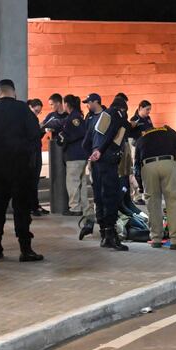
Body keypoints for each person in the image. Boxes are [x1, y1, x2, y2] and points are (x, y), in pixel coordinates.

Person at [0, 79, 44, 262]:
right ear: (14, 92)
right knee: (21, 209)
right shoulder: (23, 110)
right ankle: (25, 249)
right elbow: (35, 135)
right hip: (21, 168)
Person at [134, 126, 176, 250]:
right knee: (173, 202)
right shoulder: (168, 131)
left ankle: (156, 239)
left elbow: (136, 166)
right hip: (168, 164)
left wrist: (140, 185)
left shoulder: (141, 139)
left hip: (147, 167)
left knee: (153, 204)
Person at [89, 95, 130, 251]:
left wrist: (92, 153)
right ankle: (111, 236)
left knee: (99, 197)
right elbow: (113, 132)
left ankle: (104, 234)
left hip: (96, 163)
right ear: (123, 108)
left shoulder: (98, 117)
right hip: (107, 161)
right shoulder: (117, 114)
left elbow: (87, 139)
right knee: (110, 197)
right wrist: (100, 151)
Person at [60, 95, 93, 220]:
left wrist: (65, 137)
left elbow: (80, 133)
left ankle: (75, 208)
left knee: (73, 182)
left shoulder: (73, 118)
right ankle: (85, 207)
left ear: (67, 104)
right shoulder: (77, 115)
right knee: (81, 183)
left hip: (75, 155)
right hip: (81, 155)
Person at [79, 93, 104, 240]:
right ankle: (97, 225)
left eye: (89, 102)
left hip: (104, 159)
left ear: (96, 102)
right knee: (96, 194)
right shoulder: (89, 117)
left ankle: (104, 227)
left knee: (104, 194)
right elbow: (86, 138)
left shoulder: (106, 116)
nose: (87, 105)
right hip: (93, 160)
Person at [27, 99, 48, 217]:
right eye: (36, 111)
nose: (37, 114)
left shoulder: (30, 117)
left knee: (34, 180)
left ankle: (34, 205)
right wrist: (42, 130)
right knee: (32, 180)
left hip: (34, 151)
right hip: (32, 152)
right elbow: (34, 136)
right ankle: (33, 206)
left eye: (38, 112)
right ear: (30, 106)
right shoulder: (30, 118)